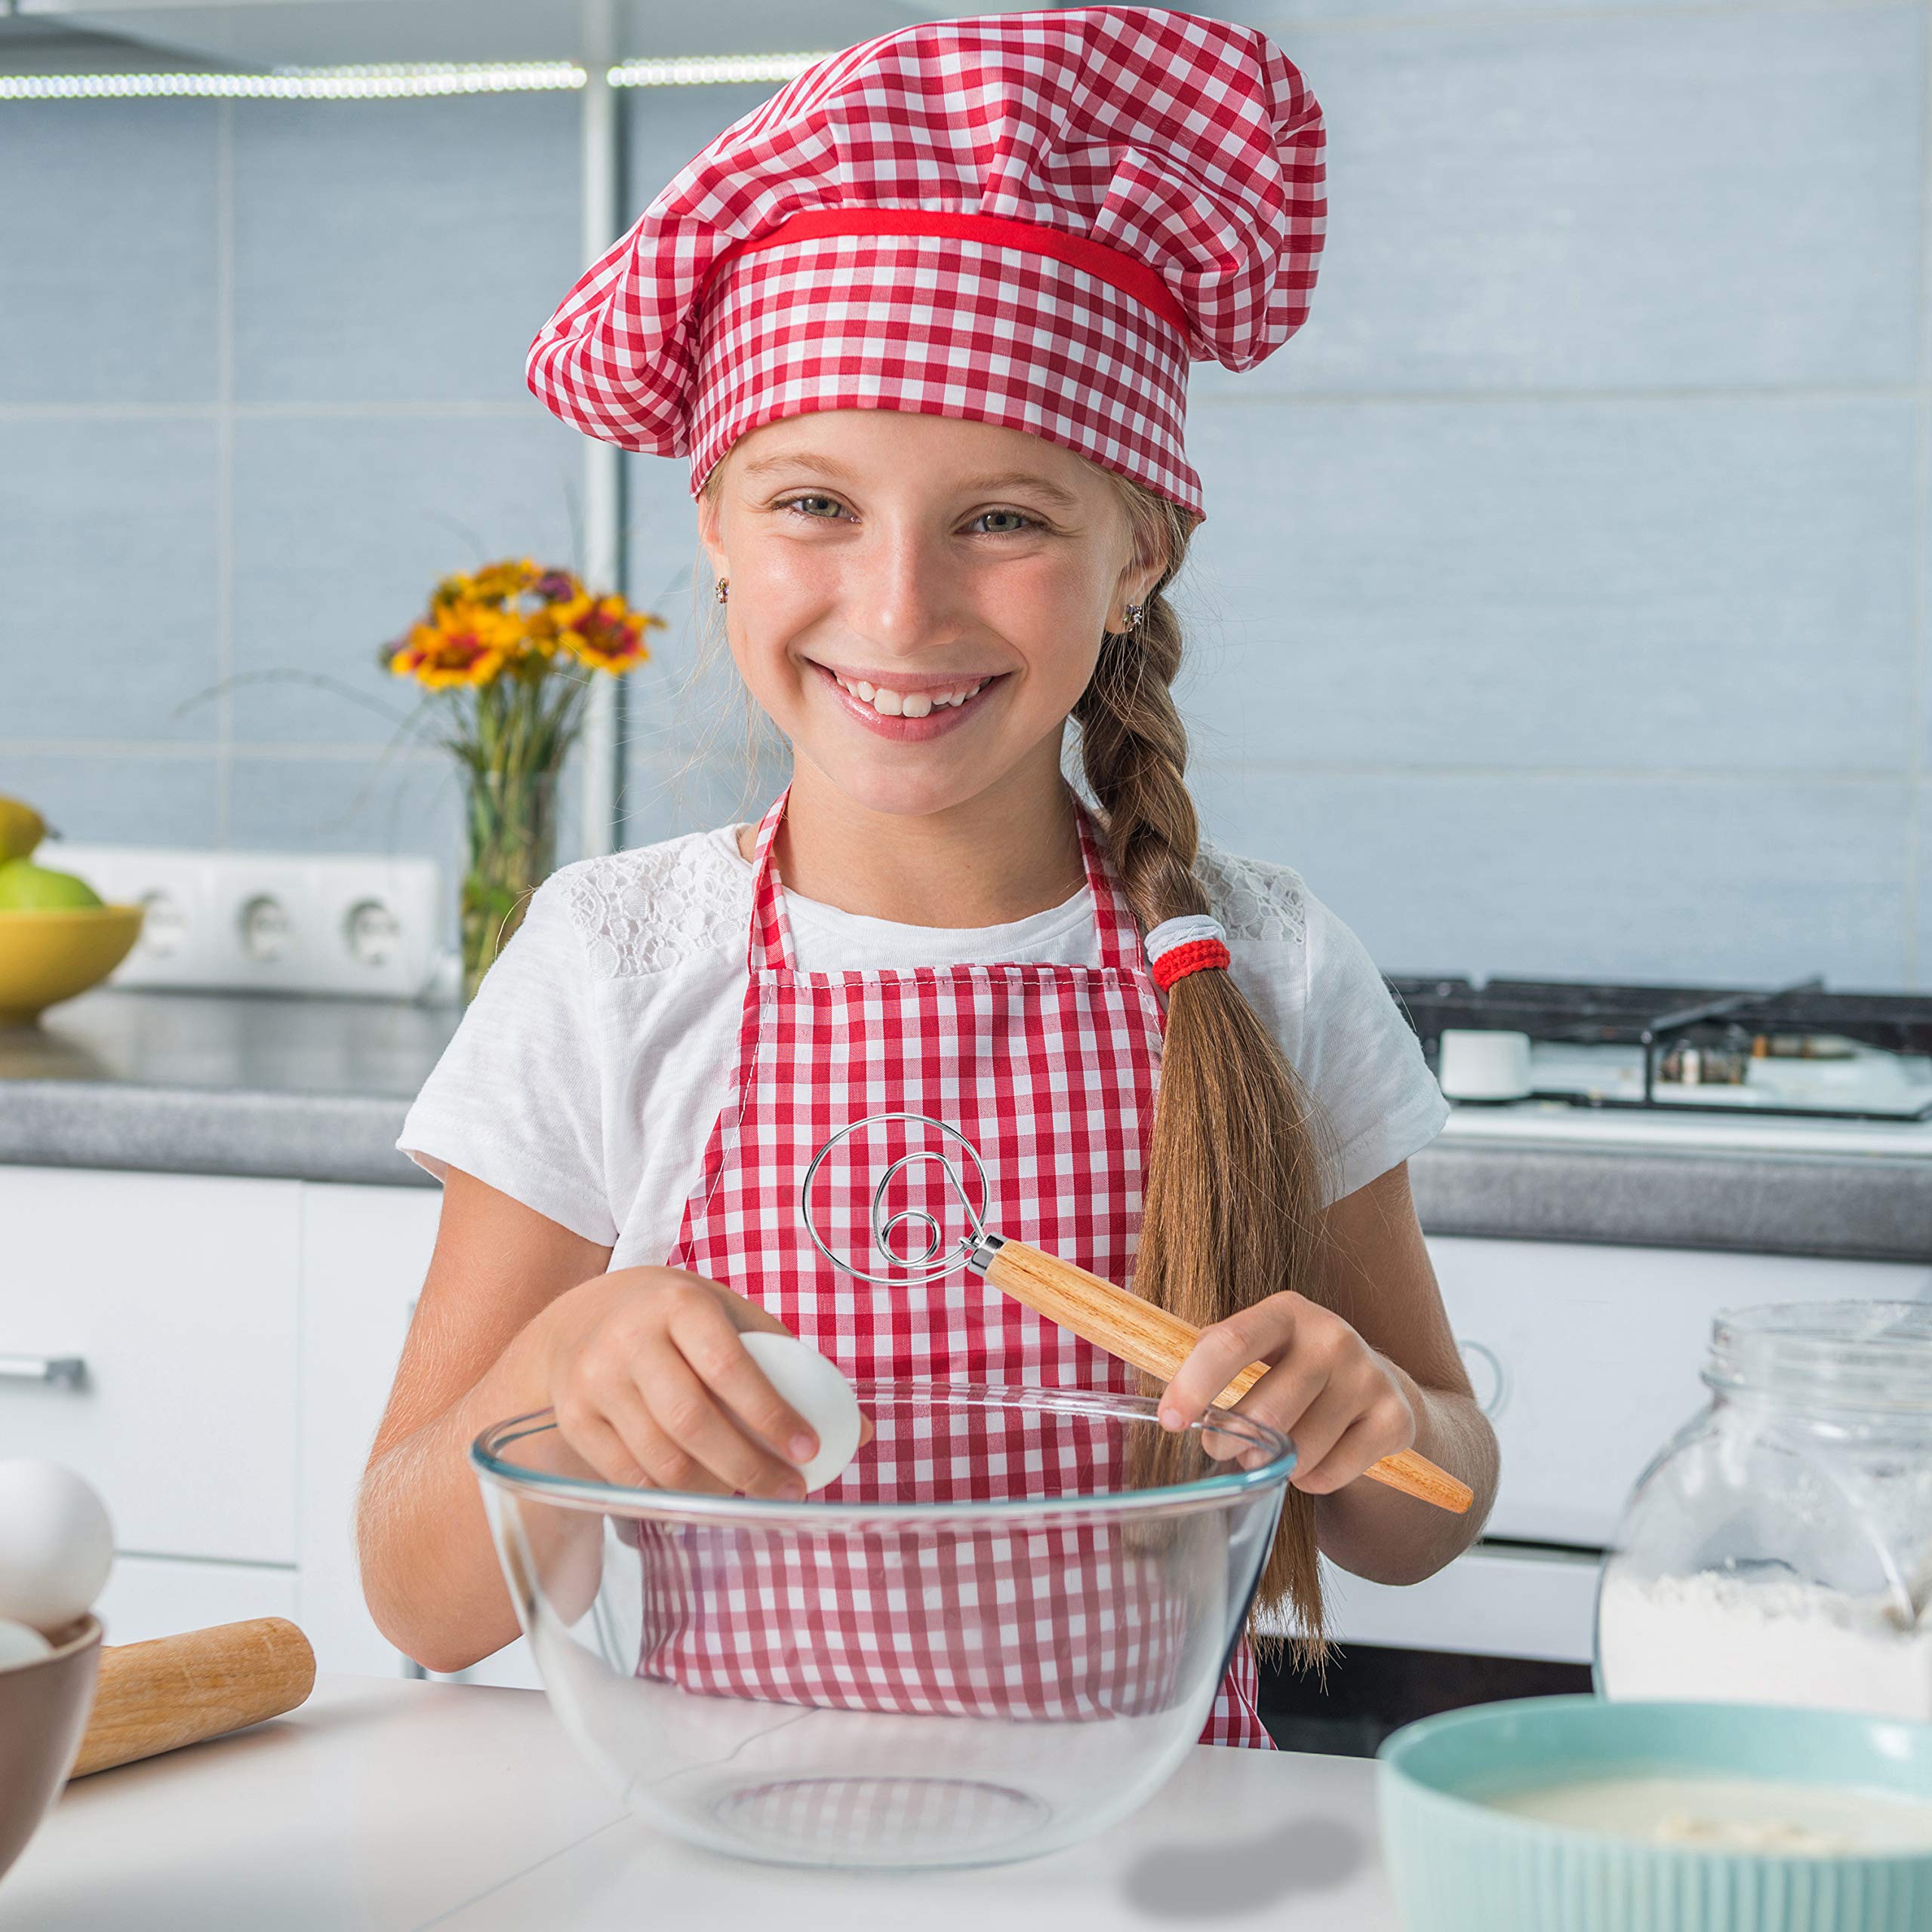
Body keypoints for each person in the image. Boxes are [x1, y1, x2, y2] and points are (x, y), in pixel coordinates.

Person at [358, 5, 1499, 1749]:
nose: (898, 611)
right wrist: (557, 1378)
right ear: (715, 537)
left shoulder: (1266, 963)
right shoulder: (610, 960)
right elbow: (417, 1598)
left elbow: (1423, 1511)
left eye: (1003, 518)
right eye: (816, 503)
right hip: (726, 1849)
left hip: (1149, 1848)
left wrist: (1369, 1411)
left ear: (1138, 552)